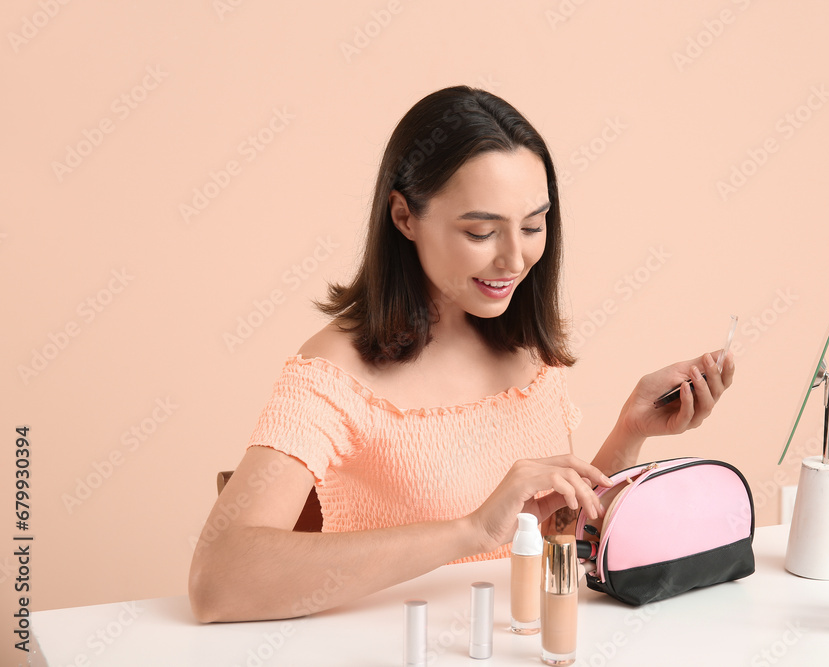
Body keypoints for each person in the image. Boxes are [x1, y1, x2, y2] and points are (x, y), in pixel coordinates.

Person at [188, 85, 735, 623]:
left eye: (533, 226)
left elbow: (549, 543)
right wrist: (470, 530)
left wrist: (629, 431)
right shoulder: (333, 373)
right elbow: (218, 580)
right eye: (480, 232)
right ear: (404, 217)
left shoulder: (525, 352)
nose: (515, 259)